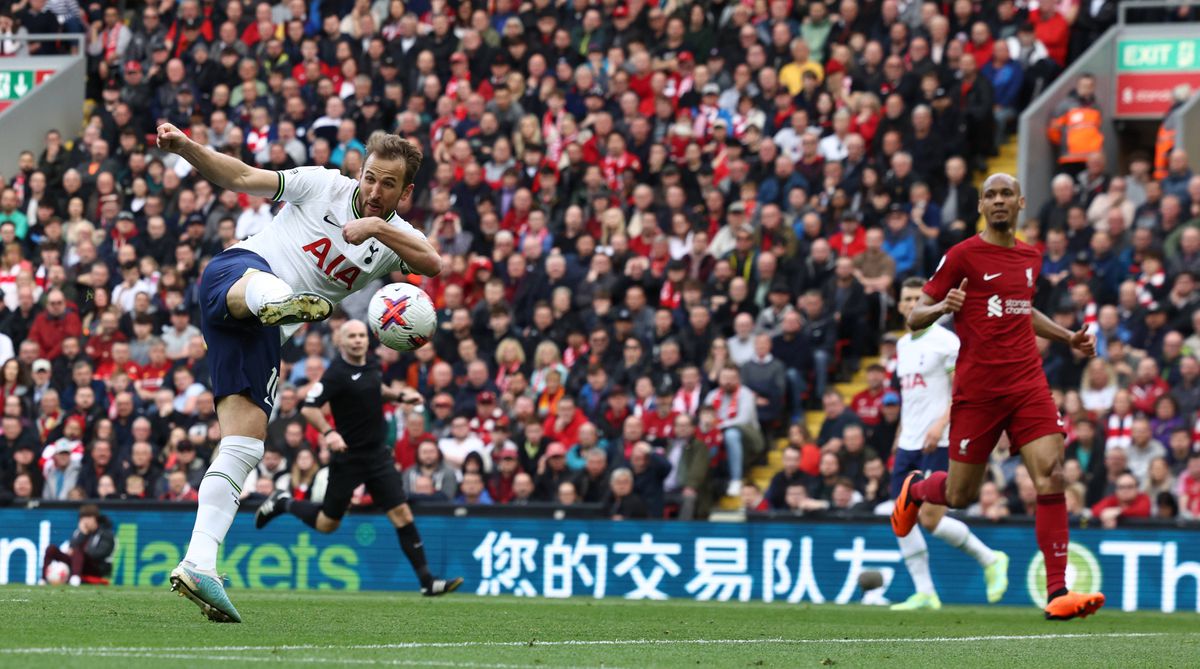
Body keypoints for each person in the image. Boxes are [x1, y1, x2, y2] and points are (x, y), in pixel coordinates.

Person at [156, 122, 442, 623]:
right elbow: (241, 176)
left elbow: (432, 263)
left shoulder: (394, 236)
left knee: (244, 446)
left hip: (259, 335)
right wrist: (187, 148)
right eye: (370, 178)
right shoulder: (322, 184)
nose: (375, 191)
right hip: (236, 274)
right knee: (266, 286)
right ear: (358, 172)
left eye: (388, 184)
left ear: (405, 191)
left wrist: (377, 228)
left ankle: (199, 563)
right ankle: (277, 299)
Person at [893, 173, 1105, 621]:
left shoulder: (1030, 256)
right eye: (990, 195)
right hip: (979, 391)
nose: (999, 200)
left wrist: (1067, 336)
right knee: (959, 494)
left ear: (1021, 202)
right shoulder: (962, 255)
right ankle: (917, 489)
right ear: (981, 206)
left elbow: (1022, 309)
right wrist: (943, 307)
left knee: (1052, 474)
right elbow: (915, 316)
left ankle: (1057, 592)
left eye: (1007, 193)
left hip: (1027, 384)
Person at [255, 320, 461, 601]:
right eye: (351, 336)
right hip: (348, 458)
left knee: (402, 514)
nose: (357, 340)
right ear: (341, 341)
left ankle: (428, 582)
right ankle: (283, 502)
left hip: (377, 456)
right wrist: (329, 433)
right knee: (327, 524)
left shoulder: (372, 364)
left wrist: (400, 395)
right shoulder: (336, 373)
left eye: (361, 335)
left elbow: (376, 389)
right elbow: (309, 408)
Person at [889, 277, 1008, 611]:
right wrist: (900, 434)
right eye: (906, 298)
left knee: (930, 519)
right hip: (909, 442)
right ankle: (925, 592)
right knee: (900, 517)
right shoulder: (902, 345)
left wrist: (941, 423)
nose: (911, 304)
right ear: (899, 305)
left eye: (917, 298)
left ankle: (990, 559)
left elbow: (964, 390)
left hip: (939, 441)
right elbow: (911, 398)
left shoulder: (946, 342)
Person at [41, 504, 114, 586]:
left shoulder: (105, 534)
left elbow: (99, 554)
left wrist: (79, 552)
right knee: (51, 549)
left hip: (95, 567)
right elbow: (71, 548)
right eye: (83, 518)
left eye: (89, 518)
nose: (85, 521)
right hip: (76, 563)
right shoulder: (79, 532)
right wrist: (83, 534)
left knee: (78, 551)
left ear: (96, 519)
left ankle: (75, 579)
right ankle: (43, 579)